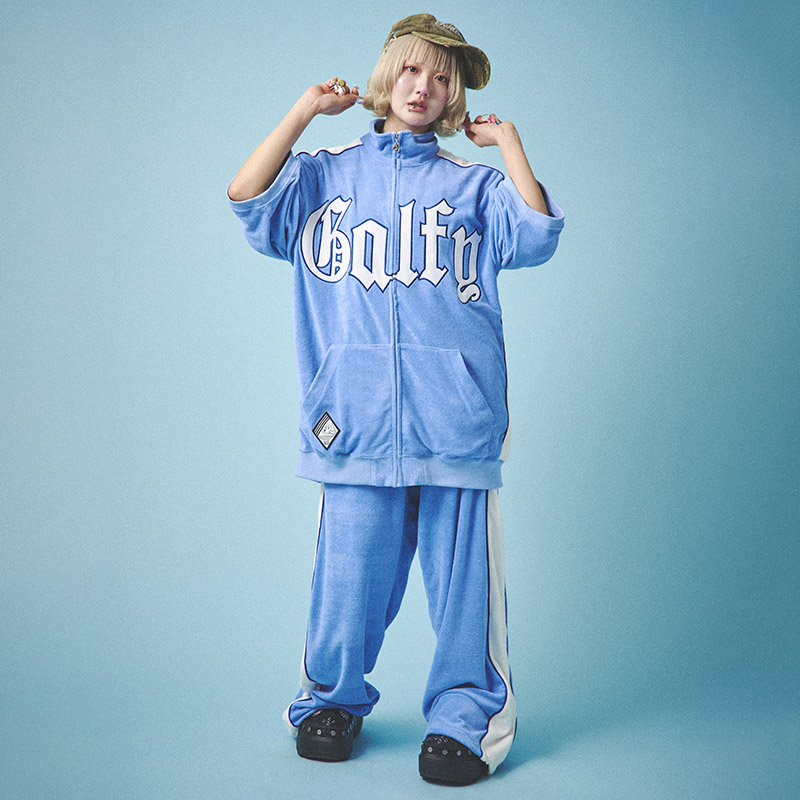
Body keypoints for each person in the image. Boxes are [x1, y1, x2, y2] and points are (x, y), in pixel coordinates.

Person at [227, 13, 564, 786]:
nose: (424, 87)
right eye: (413, 70)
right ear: (387, 75)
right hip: (353, 422)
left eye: (443, 78)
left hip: (457, 422)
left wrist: (509, 145)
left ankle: (465, 720)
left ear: (454, 97)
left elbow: (538, 232)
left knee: (465, 593)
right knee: (346, 581)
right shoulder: (323, 176)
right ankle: (329, 703)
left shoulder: (473, 186)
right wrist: (304, 111)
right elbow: (247, 197)